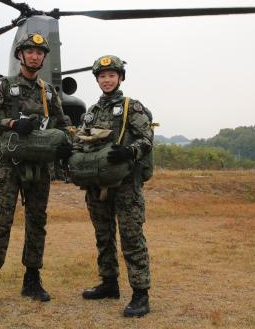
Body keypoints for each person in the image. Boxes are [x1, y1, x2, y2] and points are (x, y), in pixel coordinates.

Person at [0, 33, 72, 311]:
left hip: (40, 167)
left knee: (37, 224)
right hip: (10, 167)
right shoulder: (3, 87)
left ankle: (32, 280)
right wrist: (12, 124)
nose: (34, 56)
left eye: (40, 53)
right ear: (20, 55)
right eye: (29, 51)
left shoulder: (48, 92)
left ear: (44, 58)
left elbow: (62, 122)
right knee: (0, 223)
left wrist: (66, 144)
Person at [78, 55, 153, 317]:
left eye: (111, 75)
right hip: (97, 186)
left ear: (120, 78)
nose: (107, 80)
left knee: (132, 238)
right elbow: (81, 141)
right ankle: (109, 283)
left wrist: (128, 152)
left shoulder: (132, 107)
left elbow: (147, 139)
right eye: (102, 76)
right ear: (97, 80)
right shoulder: (91, 112)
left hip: (126, 185)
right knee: (103, 236)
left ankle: (141, 294)